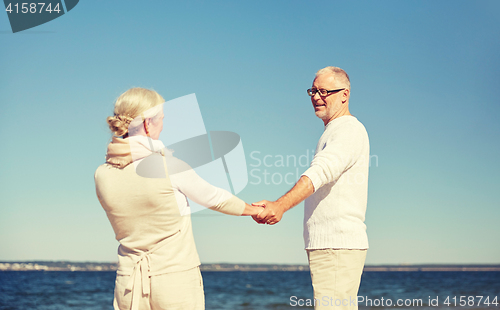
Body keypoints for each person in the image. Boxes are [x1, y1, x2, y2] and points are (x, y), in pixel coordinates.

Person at [94, 87, 262, 310]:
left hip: (128, 284)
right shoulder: (167, 166)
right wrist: (256, 210)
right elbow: (215, 198)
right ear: (147, 123)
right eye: (161, 119)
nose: (163, 126)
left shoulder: (101, 174)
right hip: (173, 281)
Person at [253, 67, 370, 310]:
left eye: (324, 91)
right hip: (331, 246)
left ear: (344, 95)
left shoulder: (348, 130)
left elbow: (321, 171)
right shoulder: (334, 131)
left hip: (337, 245)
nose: (316, 97)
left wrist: (280, 205)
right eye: (313, 91)